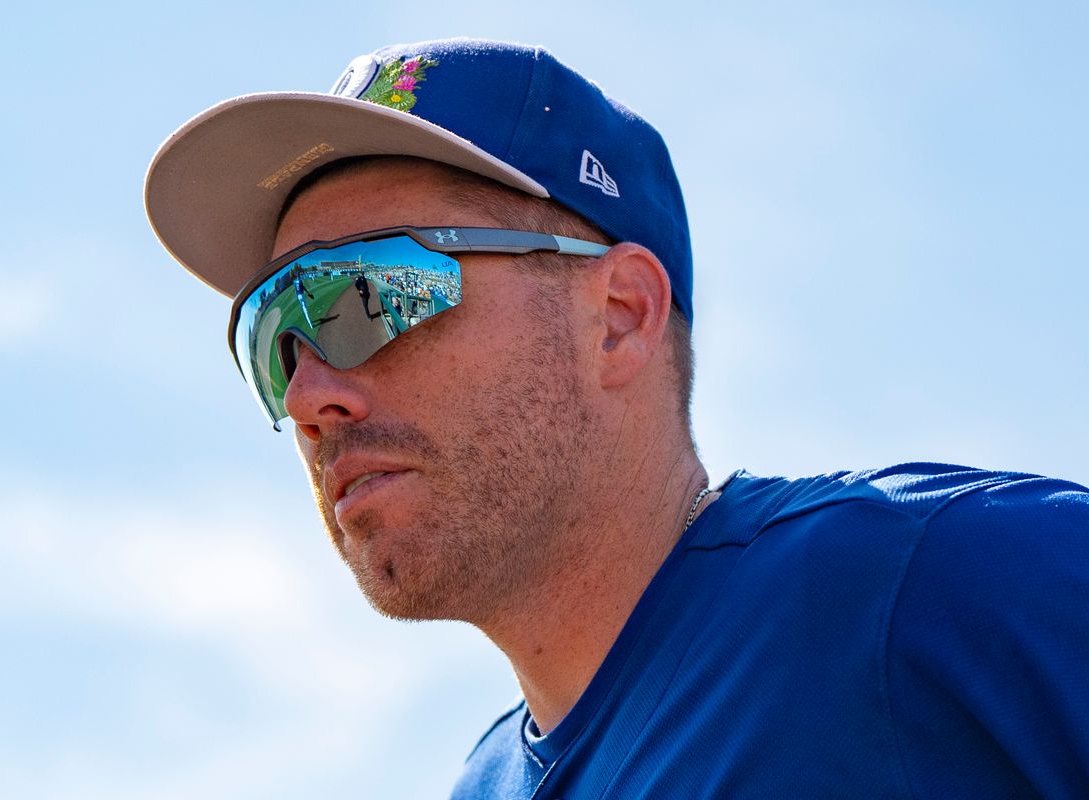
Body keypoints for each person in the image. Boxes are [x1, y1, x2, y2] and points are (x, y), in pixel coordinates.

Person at [144, 38, 1088, 799]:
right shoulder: (479, 786)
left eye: (368, 297)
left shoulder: (932, 592)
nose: (310, 396)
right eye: (277, 332)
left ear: (620, 317)